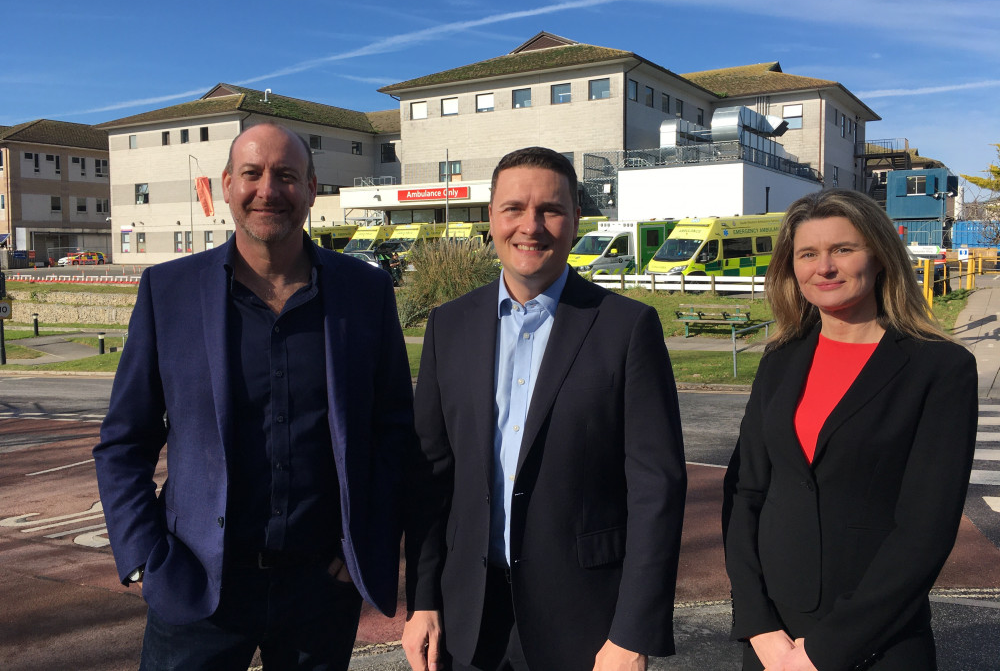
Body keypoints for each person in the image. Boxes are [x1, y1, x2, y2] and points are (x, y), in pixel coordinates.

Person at [93, 122, 414, 670]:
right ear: (226, 185)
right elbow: (125, 440)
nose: (268, 190)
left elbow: (393, 434)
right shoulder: (167, 292)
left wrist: (366, 544)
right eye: (252, 174)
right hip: (196, 585)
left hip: (320, 588)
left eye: (286, 175)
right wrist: (145, 558)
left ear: (312, 188)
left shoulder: (364, 292)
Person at [401, 147, 687, 671]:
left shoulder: (626, 328)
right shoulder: (449, 326)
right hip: (468, 616)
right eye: (514, 208)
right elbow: (430, 479)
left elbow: (656, 489)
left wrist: (633, 632)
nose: (530, 226)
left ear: (577, 219)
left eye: (550, 210)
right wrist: (423, 599)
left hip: (585, 620)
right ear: (490, 217)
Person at [723, 188, 978, 670]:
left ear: (879, 256)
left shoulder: (939, 368)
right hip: (774, 640)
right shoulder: (781, 359)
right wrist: (758, 626)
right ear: (791, 267)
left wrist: (824, 652)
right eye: (808, 254)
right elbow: (746, 492)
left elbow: (925, 529)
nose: (825, 267)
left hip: (875, 641)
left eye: (842, 249)